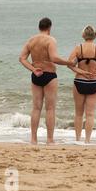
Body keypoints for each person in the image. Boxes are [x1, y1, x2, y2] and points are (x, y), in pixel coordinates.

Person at [19, 17, 76, 145]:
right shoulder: (50, 40)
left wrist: (33, 69)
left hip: (36, 75)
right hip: (49, 75)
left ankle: (33, 139)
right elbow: (54, 58)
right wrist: (69, 62)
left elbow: (22, 58)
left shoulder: (31, 41)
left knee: (36, 108)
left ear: (39, 27)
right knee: (50, 109)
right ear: (49, 28)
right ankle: (50, 139)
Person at [67, 25, 96, 143]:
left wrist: (81, 71)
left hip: (80, 81)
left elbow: (69, 64)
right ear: (95, 36)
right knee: (90, 114)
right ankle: (87, 141)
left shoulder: (78, 48)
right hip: (94, 82)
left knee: (78, 114)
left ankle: (78, 140)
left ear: (83, 35)